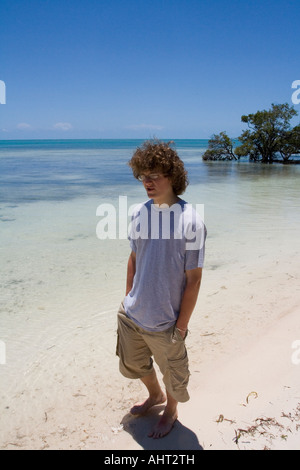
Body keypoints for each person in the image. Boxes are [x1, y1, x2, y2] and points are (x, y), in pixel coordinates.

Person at [116, 139, 206, 439]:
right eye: (144, 175)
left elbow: (193, 279)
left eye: (155, 174)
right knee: (133, 364)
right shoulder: (138, 213)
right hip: (132, 313)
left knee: (175, 377)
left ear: (173, 176)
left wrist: (181, 327)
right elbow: (133, 257)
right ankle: (155, 396)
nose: (147, 182)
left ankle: (171, 410)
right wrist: (128, 297)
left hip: (166, 321)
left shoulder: (191, 220)